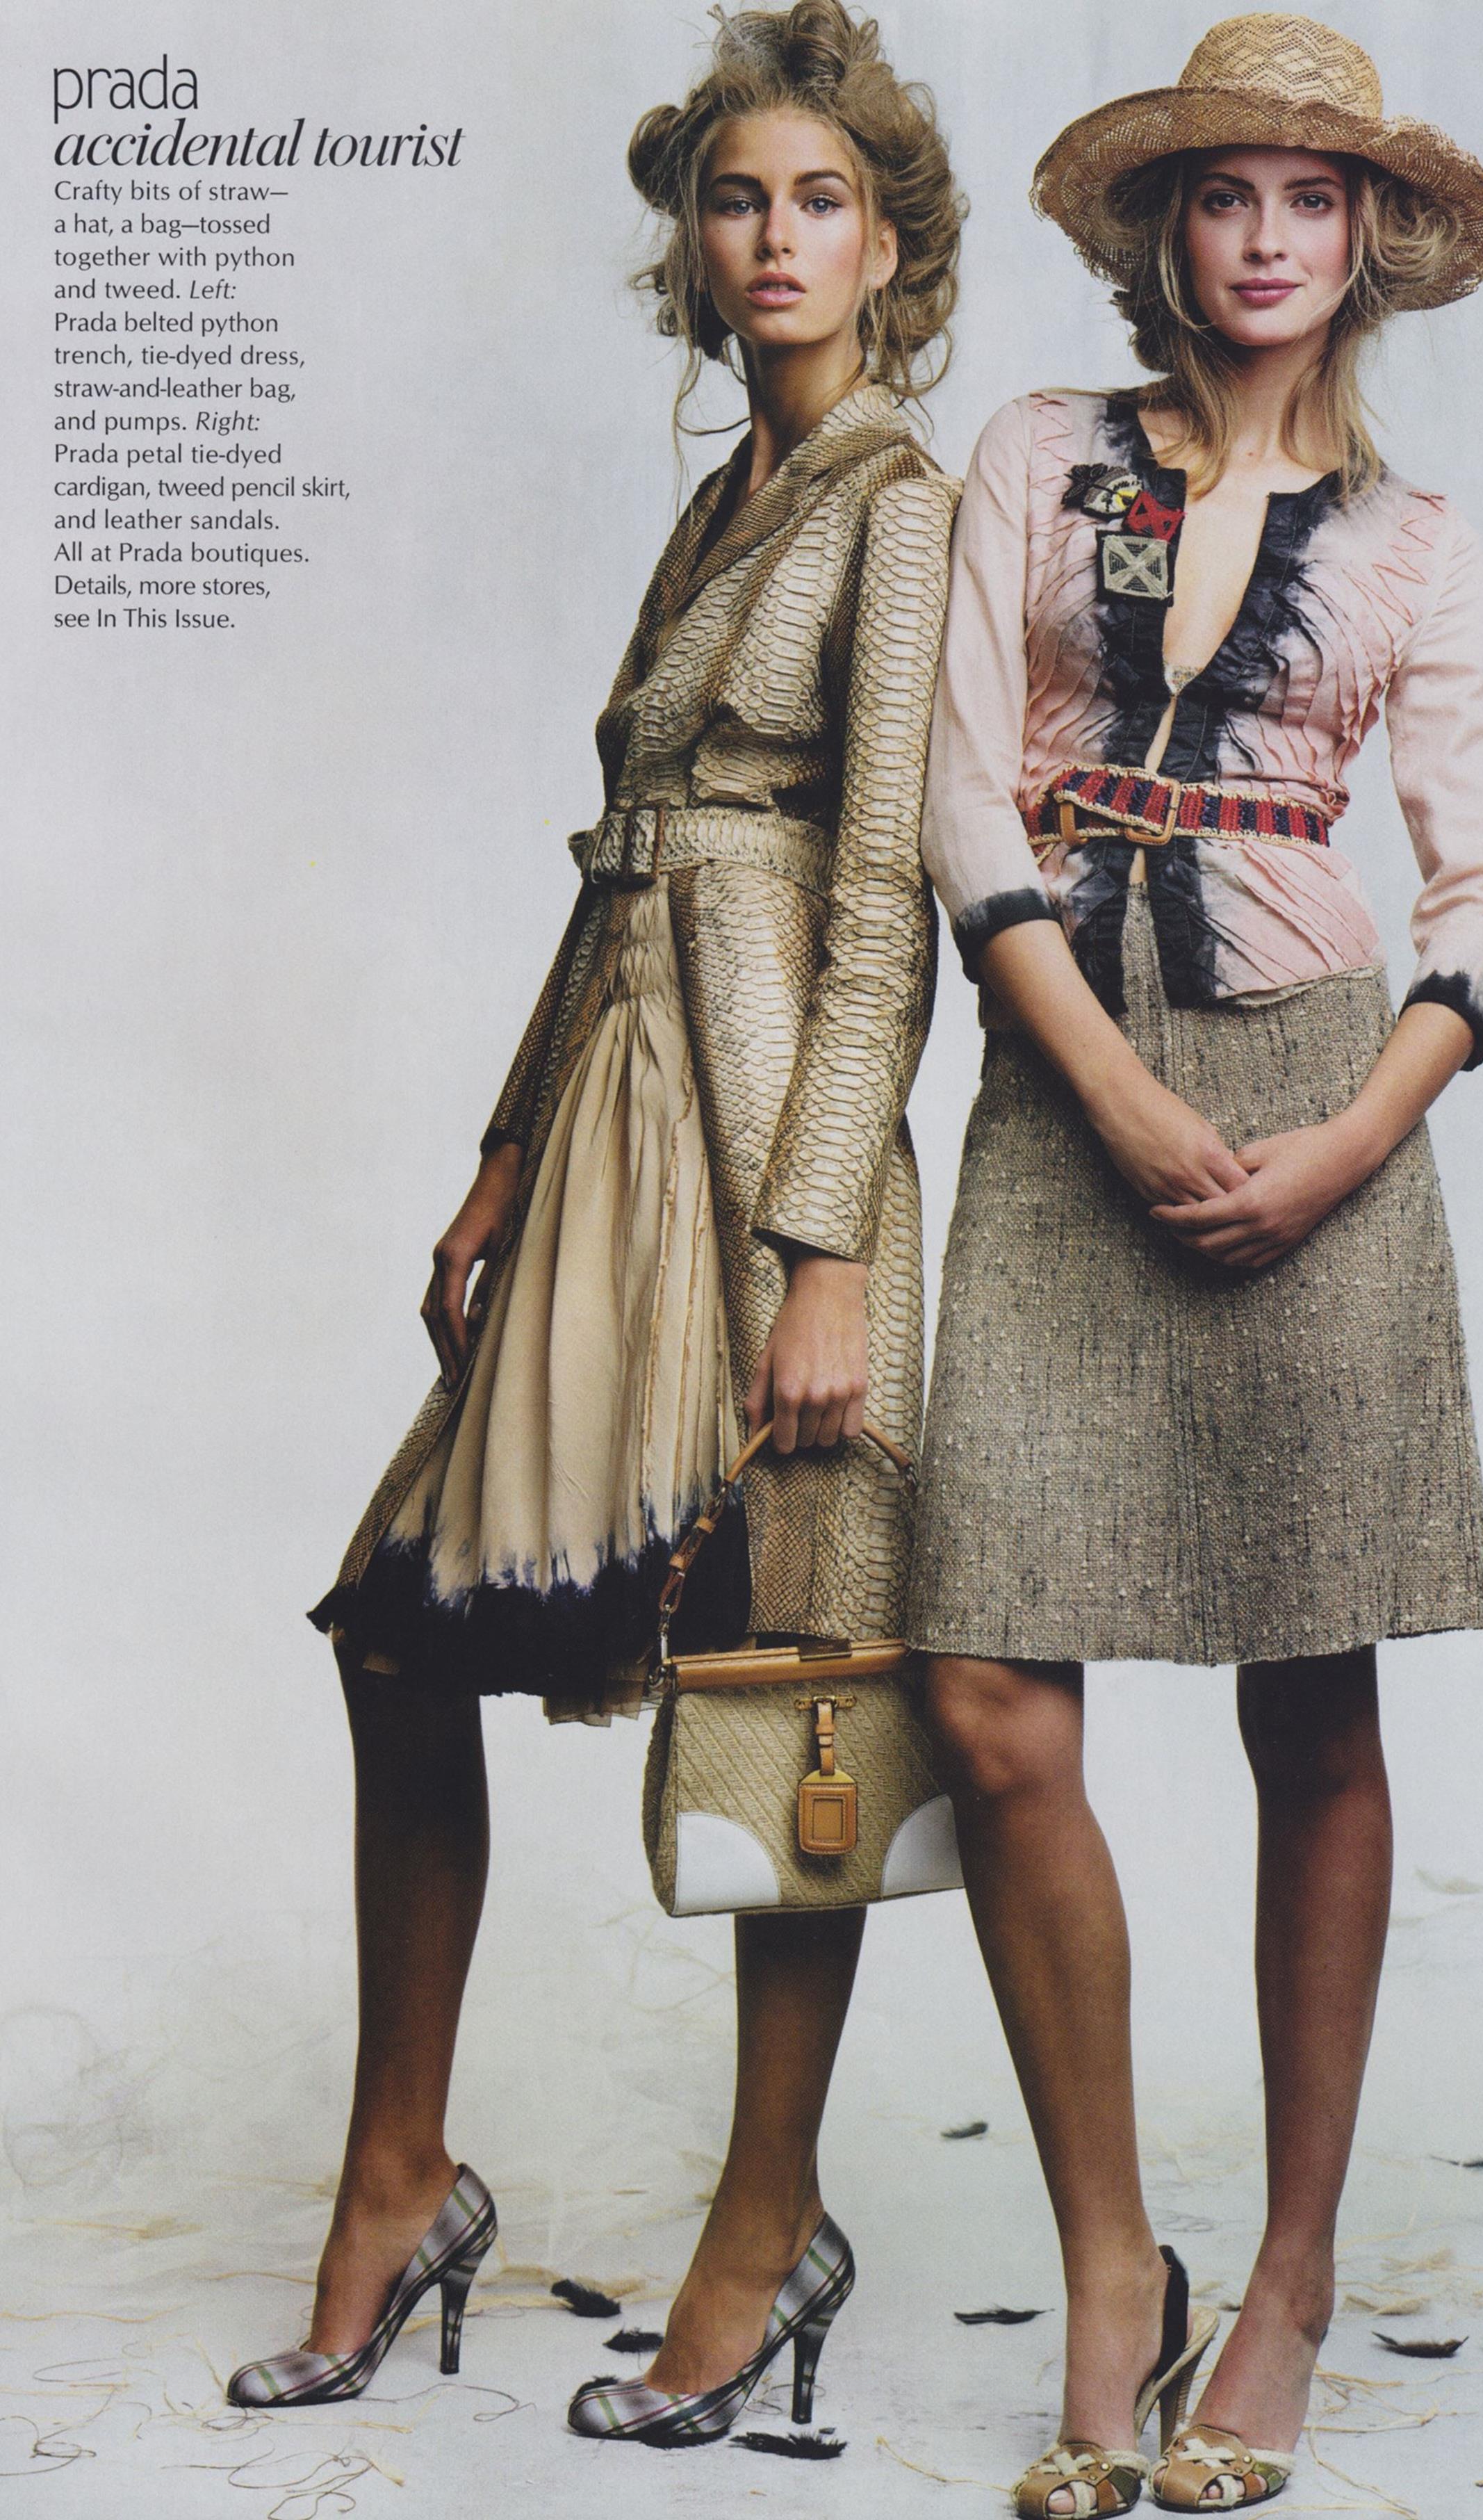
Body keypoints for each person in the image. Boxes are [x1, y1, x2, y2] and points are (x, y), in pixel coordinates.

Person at [226, 0, 962, 2444]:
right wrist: (502, 1144)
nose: (776, 239)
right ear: (695, 241)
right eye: (740, 199)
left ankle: (766, 2221)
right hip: (608, 1131)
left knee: (787, 1679)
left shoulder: (898, 499)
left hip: (764, 1164)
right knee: (399, 1622)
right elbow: (623, 861)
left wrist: (830, 1241)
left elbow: (880, 900)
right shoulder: (722, 497)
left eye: (821, 201)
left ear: (889, 245)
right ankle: (399, 2172)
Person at [910, 15, 1483, 2512]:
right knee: (988, 1684)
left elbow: (1479, 892)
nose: (1267, 235)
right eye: (1225, 193)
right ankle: (1110, 2263)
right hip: (1072, 1074)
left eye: (1311, 196)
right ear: (1165, 231)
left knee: (1314, 1684)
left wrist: (1346, 1140)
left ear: (1367, 240)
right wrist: (1112, 1086)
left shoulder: (1418, 540)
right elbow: (962, 789)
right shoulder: (1037, 454)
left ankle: (1290, 2271)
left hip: (1320, 1101)